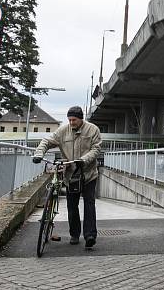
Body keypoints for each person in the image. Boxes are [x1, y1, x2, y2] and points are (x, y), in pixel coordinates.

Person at [32, 106, 102, 248]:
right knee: (72, 206)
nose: (71, 122)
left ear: (81, 118)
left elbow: (96, 149)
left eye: (74, 119)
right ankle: (74, 235)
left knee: (89, 204)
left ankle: (90, 235)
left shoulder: (93, 129)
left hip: (88, 173)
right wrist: (39, 153)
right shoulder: (63, 131)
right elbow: (47, 141)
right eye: (69, 119)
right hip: (70, 175)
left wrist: (84, 159)